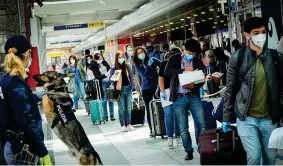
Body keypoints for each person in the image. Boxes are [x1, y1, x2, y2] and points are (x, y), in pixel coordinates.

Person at [222, 17, 283, 165]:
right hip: (246, 117)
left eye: (263, 32)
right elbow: (229, 89)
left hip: (269, 118)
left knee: (270, 158)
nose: (261, 36)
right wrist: (225, 118)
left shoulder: (275, 56)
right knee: (254, 156)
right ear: (247, 35)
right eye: (256, 33)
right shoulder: (238, 57)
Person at [0, 35, 52, 165]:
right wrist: (43, 151)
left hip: (10, 143)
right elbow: (26, 119)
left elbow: (13, 105)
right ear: (27, 54)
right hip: (21, 148)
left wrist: (34, 98)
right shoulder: (16, 83)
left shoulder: (5, 79)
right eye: (30, 52)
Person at [164, 39, 206, 160]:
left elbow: (201, 78)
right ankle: (189, 150)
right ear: (184, 49)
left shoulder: (197, 61)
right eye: (189, 53)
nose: (191, 56)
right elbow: (167, 71)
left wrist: (195, 86)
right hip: (179, 97)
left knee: (201, 123)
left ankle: (203, 148)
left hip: (193, 96)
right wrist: (183, 71)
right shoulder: (175, 59)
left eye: (193, 54)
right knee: (183, 127)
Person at [133, 47, 161, 137]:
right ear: (136, 55)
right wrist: (149, 66)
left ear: (145, 52)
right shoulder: (137, 65)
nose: (141, 54)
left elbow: (163, 65)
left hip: (156, 87)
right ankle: (151, 129)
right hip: (146, 88)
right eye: (138, 53)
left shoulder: (152, 59)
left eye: (142, 52)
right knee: (149, 109)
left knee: (159, 107)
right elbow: (144, 75)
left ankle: (161, 127)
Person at [159, 48, 181, 149]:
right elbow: (161, 78)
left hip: (178, 91)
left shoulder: (181, 63)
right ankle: (170, 137)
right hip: (167, 91)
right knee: (168, 114)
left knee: (178, 115)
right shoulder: (164, 63)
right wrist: (162, 91)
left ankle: (178, 136)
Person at [110, 51, 136, 132]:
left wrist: (133, 88)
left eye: (122, 57)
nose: (121, 59)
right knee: (121, 108)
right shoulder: (114, 68)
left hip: (128, 88)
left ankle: (129, 124)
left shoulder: (127, 66)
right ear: (117, 58)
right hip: (119, 90)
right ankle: (122, 125)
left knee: (128, 107)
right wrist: (115, 77)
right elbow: (110, 80)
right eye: (120, 57)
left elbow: (131, 78)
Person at [94, 53, 115, 121]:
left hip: (109, 81)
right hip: (103, 83)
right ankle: (105, 116)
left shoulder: (105, 62)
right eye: (99, 59)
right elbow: (97, 77)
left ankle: (112, 115)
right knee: (105, 100)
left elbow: (110, 70)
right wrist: (105, 75)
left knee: (111, 99)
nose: (101, 60)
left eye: (101, 58)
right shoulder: (95, 66)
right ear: (96, 59)